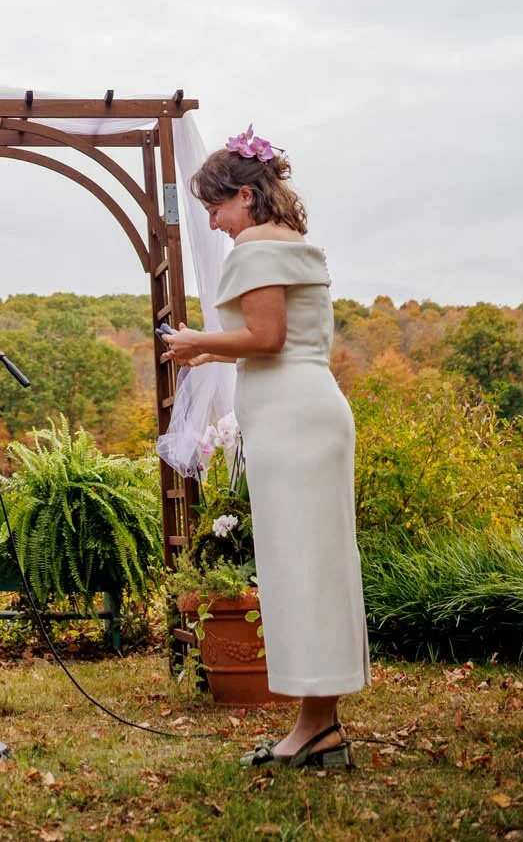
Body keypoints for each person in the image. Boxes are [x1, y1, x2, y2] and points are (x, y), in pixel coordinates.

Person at [162, 125, 369, 770]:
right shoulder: (293, 242)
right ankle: (320, 725)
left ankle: (316, 728)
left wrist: (197, 341)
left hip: (293, 422)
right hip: (308, 413)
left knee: (301, 567)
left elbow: (267, 336)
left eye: (215, 207)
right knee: (314, 565)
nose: (214, 223)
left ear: (246, 197)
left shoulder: (254, 246)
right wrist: (212, 351)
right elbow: (283, 340)